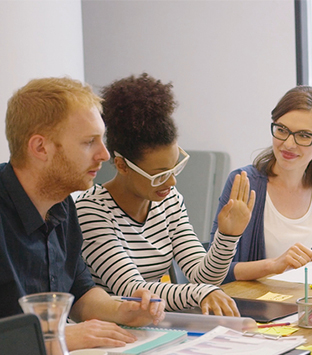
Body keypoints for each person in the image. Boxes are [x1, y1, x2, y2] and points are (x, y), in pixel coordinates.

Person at [1, 77, 165, 351]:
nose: (104, 154)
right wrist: (58, 338)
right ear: (40, 147)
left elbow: (80, 291)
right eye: (89, 142)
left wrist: (122, 310)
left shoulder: (62, 204)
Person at [76, 74, 254, 316]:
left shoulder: (168, 201)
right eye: (159, 174)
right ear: (122, 165)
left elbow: (203, 276)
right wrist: (199, 292)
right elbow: (132, 289)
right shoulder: (91, 212)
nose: (172, 181)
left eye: (175, 168)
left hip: (150, 324)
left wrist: (227, 236)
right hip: (111, 330)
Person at [211, 85, 312, 282]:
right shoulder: (244, 183)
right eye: (282, 130)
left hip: (307, 301)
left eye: (304, 135)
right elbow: (216, 270)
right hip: (253, 306)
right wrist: (273, 266)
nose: (288, 144)